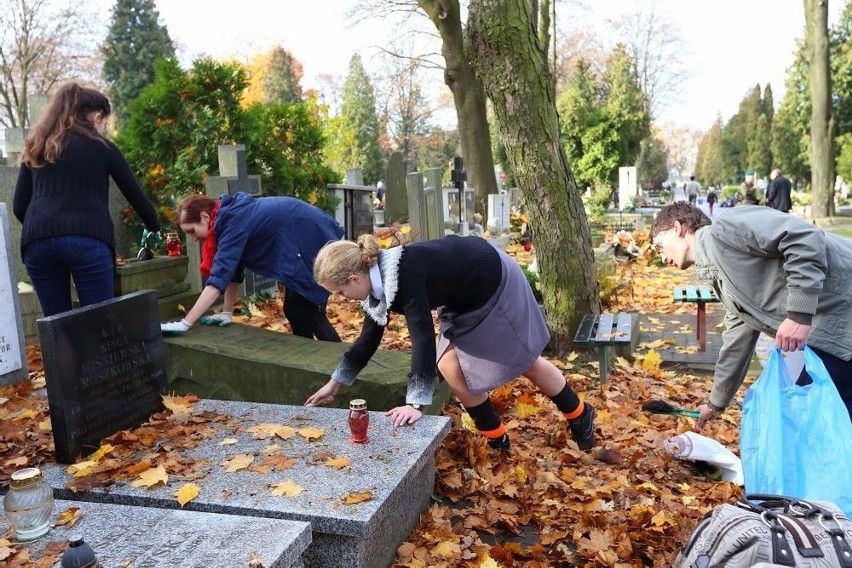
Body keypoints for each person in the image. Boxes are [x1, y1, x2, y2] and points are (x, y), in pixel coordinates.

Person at [304, 234, 597, 451]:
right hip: (462, 296)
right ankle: (496, 440)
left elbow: (421, 337)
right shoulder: (379, 283)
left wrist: (415, 404)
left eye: (340, 292)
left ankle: (579, 414)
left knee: (523, 360)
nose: (341, 300)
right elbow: (367, 340)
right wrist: (335, 383)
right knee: (451, 366)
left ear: (355, 278)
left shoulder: (403, 275)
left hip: (493, 283)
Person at [650, 202, 852, 427]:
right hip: (837, 336)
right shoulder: (721, 278)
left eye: (659, 246)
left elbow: (805, 238)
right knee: (815, 418)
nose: (662, 258)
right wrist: (716, 403)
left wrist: (798, 314)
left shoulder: (727, 228)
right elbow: (737, 340)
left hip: (844, 310)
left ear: (678, 228)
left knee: (817, 419)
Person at [12, 82, 160, 317]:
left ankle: (61, 354)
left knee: (56, 326)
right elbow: (136, 197)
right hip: (87, 239)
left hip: (38, 242)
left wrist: (46, 228)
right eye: (105, 123)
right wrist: (154, 227)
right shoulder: (102, 147)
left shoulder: (36, 146)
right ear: (96, 116)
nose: (104, 129)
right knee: (99, 324)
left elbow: (20, 205)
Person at [160, 192, 343, 341]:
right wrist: (226, 312)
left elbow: (218, 281)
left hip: (308, 239)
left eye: (192, 231)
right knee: (297, 310)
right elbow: (234, 270)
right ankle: (321, 368)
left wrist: (185, 323)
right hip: (301, 236)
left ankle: (342, 370)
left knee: (306, 310)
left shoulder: (232, 224)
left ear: (205, 217)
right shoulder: (227, 219)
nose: (193, 238)